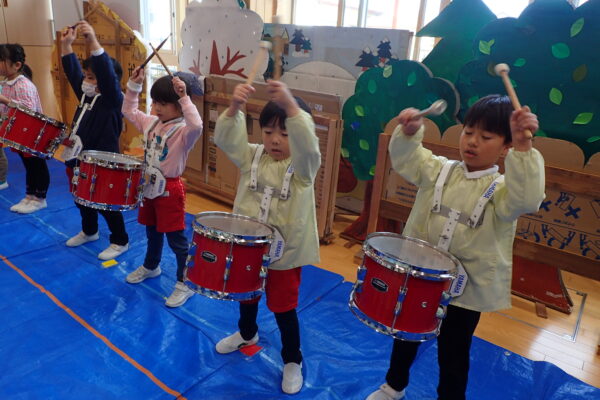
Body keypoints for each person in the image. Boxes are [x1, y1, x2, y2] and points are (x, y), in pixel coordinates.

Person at [366, 95, 545, 400]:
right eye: (468, 132)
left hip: (466, 291)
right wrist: (409, 133)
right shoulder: (439, 170)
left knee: (454, 351)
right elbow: (408, 160)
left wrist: (525, 147)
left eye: (486, 137)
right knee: (405, 334)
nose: (472, 141)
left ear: (506, 147)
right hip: (420, 278)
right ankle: (393, 386)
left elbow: (527, 198)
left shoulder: (504, 191)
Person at [213, 80, 321, 395]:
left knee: (283, 306)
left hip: (285, 254)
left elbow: (309, 145)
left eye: (286, 133)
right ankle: (247, 333)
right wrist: (234, 108)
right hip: (250, 247)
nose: (275, 140)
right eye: (269, 131)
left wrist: (291, 106)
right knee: (246, 295)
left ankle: (292, 359)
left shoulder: (303, 168)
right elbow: (226, 139)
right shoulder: (252, 157)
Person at [122, 67, 202, 308]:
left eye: (163, 104)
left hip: (169, 189)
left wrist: (184, 96)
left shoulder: (184, 132)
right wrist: (134, 85)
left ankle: (185, 282)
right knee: (152, 231)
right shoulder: (151, 123)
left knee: (176, 239)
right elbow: (128, 110)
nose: (156, 107)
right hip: (149, 185)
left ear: (178, 106)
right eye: (155, 102)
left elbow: (197, 125)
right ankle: (151, 265)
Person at [60, 22, 130, 260]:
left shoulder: (113, 100)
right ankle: (89, 231)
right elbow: (73, 74)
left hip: (102, 162)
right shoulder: (87, 96)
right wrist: (66, 46)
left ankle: (120, 240)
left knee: (105, 202)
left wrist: (92, 42)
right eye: (87, 76)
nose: (85, 81)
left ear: (107, 81)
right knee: (81, 198)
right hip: (79, 157)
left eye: (91, 77)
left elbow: (107, 75)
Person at [0, 43, 49, 213]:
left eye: (1, 60)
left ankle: (40, 198)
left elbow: (28, 110)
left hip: (33, 134)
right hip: (19, 134)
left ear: (17, 65)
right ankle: (29, 196)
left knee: (37, 166)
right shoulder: (6, 83)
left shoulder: (23, 84)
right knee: (28, 165)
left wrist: (4, 100)